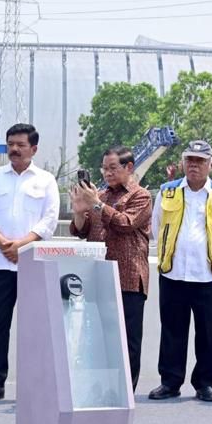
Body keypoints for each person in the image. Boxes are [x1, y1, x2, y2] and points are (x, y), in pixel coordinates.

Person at [0, 123, 61, 403]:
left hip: (33, 263)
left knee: (34, 325)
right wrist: (3, 244)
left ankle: (34, 384)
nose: (14, 149)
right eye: (10, 143)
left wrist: (20, 245)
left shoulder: (46, 180)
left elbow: (49, 221)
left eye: (20, 144)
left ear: (33, 149)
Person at [149, 140, 212, 403]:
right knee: (172, 330)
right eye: (190, 160)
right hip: (173, 271)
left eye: (200, 161)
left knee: (208, 332)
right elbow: (156, 227)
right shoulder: (167, 192)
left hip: (208, 273)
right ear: (183, 163)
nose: (194, 165)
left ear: (211, 163)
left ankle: (204, 383)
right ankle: (170, 381)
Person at [69, 146, 153, 391]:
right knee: (98, 336)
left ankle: (125, 390)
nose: (107, 173)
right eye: (104, 168)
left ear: (129, 167)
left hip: (128, 277)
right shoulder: (101, 196)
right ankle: (99, 388)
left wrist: (95, 204)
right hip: (98, 276)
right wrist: (78, 212)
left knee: (127, 340)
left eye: (112, 168)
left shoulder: (141, 195)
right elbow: (82, 231)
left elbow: (125, 223)